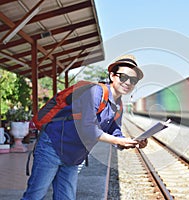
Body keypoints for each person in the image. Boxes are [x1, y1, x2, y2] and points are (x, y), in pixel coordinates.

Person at [21, 55, 148, 200]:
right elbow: (88, 128)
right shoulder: (95, 92)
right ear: (112, 75)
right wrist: (118, 141)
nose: (128, 83)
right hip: (52, 147)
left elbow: (115, 132)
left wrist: (131, 141)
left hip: (73, 156)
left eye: (133, 80)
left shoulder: (118, 105)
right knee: (35, 195)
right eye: (123, 77)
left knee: (67, 197)